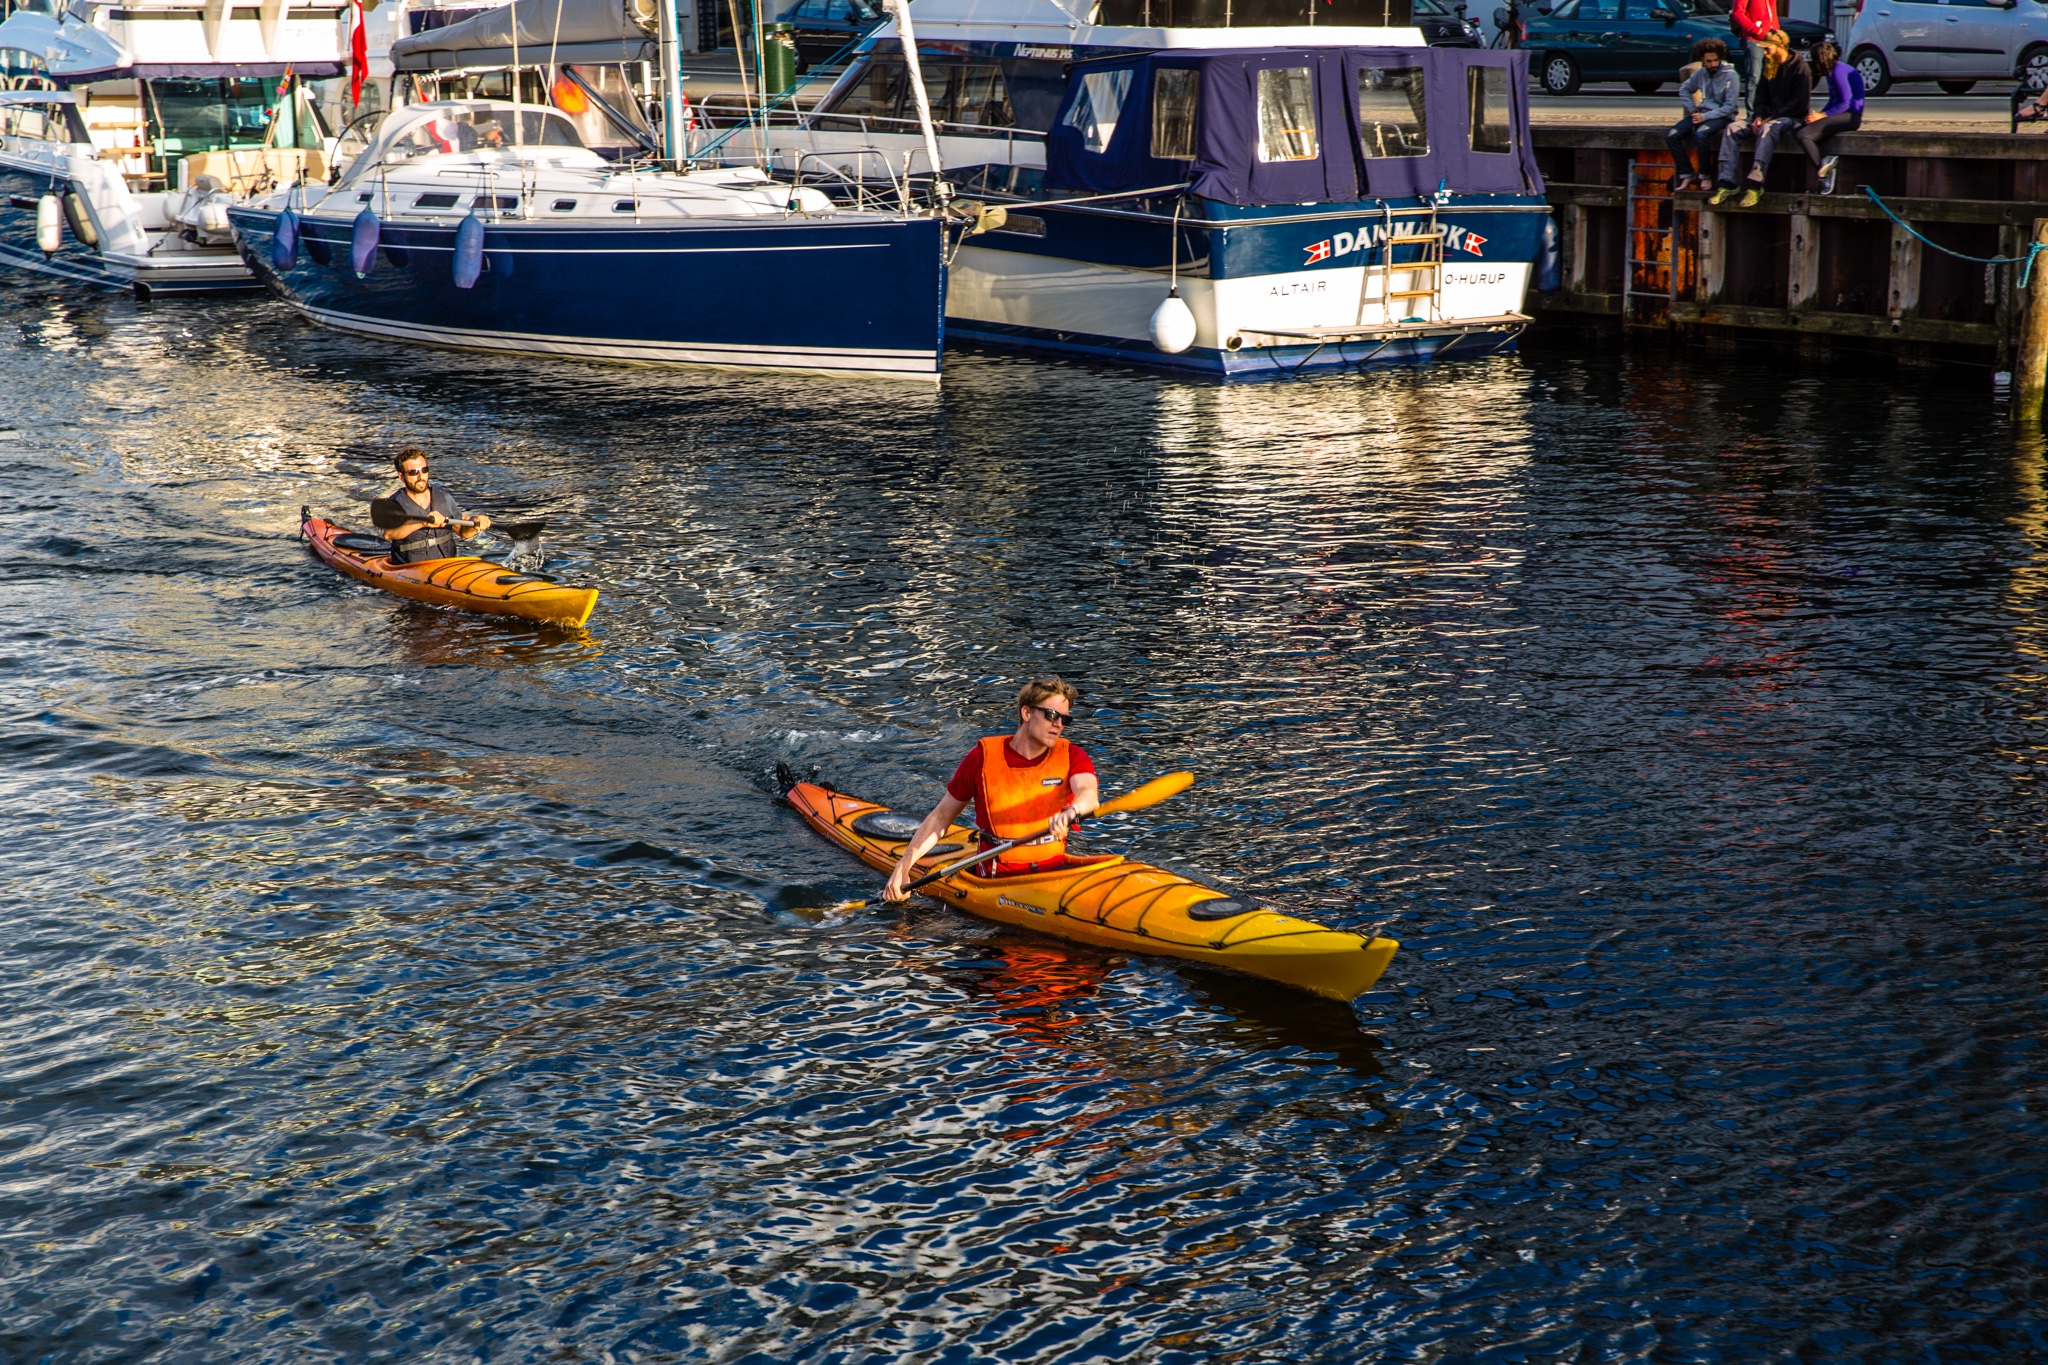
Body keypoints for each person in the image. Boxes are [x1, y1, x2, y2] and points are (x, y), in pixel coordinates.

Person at [881, 678, 1100, 901]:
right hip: (996, 880)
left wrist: (1074, 810)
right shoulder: (981, 759)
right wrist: (904, 865)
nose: (1058, 724)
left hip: (1053, 873)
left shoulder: (1073, 756)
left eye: (1065, 719)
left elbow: (1088, 794)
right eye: (1052, 715)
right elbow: (941, 818)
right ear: (1026, 713)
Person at [1709, 30, 1810, 209]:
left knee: (1768, 128)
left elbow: (1799, 103)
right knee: (1732, 128)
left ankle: (1756, 183)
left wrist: (1769, 119)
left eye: (1767, 49)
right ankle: (1727, 182)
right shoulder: (1768, 63)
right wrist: (1758, 116)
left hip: (1790, 117)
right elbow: (1760, 96)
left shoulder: (1800, 66)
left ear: (1780, 47)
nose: (1764, 53)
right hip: (1767, 116)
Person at [380, 447, 490, 564]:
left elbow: (463, 532)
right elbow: (389, 534)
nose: (420, 476)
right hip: (409, 568)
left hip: (447, 566)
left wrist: (475, 524)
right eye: (413, 472)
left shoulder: (444, 498)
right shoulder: (394, 503)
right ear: (401, 476)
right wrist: (423, 522)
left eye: (424, 470)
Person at [1666, 38, 1738, 192]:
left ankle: (1705, 175)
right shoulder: (1700, 73)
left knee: (1701, 134)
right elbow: (1684, 89)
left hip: (1722, 115)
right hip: (1702, 111)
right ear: (1702, 61)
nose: (1713, 64)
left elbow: (1730, 107)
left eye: (1716, 60)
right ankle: (1687, 173)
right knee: (1671, 135)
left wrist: (1704, 117)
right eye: (1709, 61)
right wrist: (1692, 110)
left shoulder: (1731, 75)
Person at [1796, 41, 1863, 195]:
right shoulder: (1830, 72)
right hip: (1840, 114)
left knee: (1804, 135)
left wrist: (1824, 115)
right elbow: (1834, 99)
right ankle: (1825, 166)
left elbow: (1846, 102)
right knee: (1797, 128)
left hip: (1850, 116)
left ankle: (1824, 165)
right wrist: (1817, 115)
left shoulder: (1839, 70)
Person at [1730, 0, 1778, 115]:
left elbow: (1772, 11)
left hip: (1771, 38)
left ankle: (1769, 112)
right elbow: (1737, 13)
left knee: (1771, 76)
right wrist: (1756, 30)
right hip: (1754, 39)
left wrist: (1776, 29)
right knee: (1754, 77)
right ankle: (1752, 114)